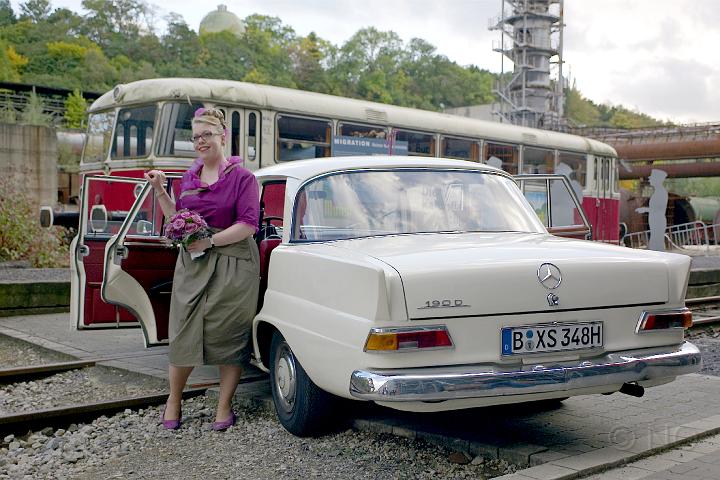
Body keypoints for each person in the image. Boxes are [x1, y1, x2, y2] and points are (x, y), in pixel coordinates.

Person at [144, 107, 260, 431]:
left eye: (206, 134)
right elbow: (176, 220)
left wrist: (210, 243)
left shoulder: (243, 178)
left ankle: (223, 406)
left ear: (223, 137)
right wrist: (161, 190)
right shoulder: (188, 179)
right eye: (195, 137)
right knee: (183, 331)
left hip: (234, 262)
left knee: (228, 333)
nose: (200, 141)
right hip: (193, 264)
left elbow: (249, 225)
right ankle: (174, 400)